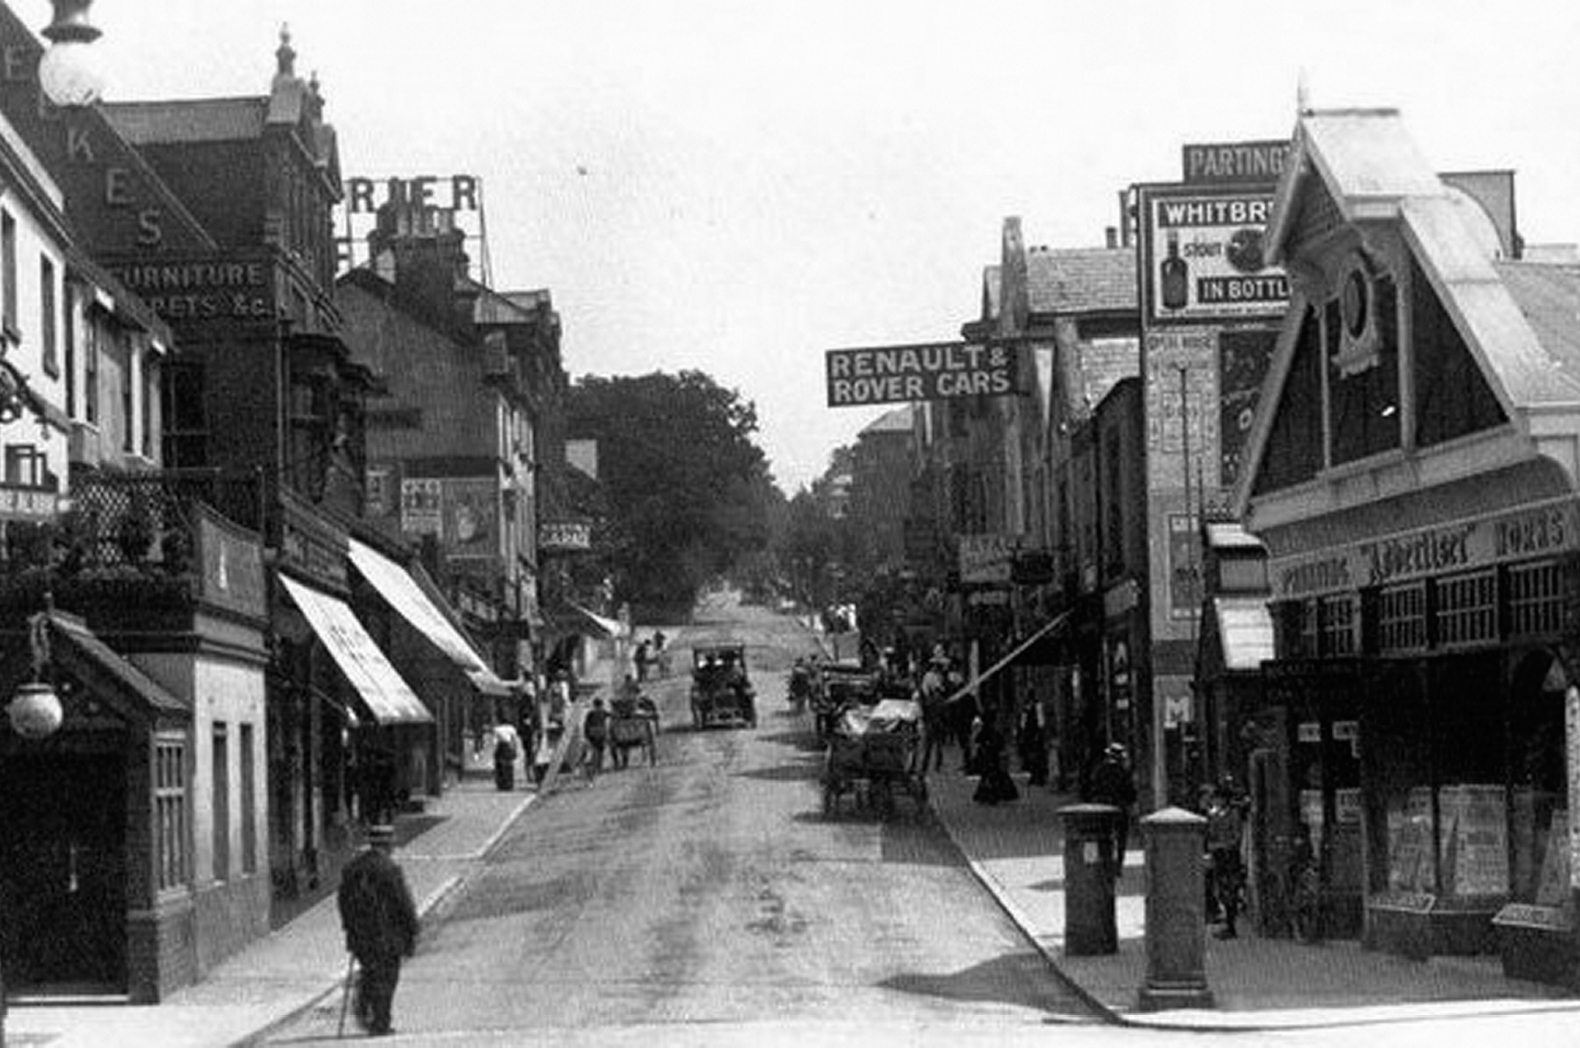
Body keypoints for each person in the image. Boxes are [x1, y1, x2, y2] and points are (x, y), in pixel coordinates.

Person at [337, 824, 420, 1037]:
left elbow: (342, 902)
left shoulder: (352, 868)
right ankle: (380, 1022)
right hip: (387, 935)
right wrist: (413, 927)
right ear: (388, 843)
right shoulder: (390, 869)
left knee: (370, 973)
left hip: (360, 935)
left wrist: (349, 928)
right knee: (387, 978)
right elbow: (403, 902)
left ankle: (365, 1007)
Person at [1206, 775, 1250, 939]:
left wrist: (1221, 845)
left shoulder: (1233, 814)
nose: (1216, 801)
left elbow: (1236, 837)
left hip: (1230, 856)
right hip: (1218, 856)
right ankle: (1226, 922)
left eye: (1218, 798)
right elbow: (1211, 834)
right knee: (1221, 889)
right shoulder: (1214, 814)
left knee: (1230, 889)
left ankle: (1231, 926)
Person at [1088, 742, 1138, 881]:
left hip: (1102, 808)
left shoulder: (1099, 769)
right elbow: (1131, 793)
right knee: (1121, 839)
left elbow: (1092, 788)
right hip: (1120, 809)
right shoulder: (1124, 771)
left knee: (1102, 836)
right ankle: (1118, 866)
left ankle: (1104, 863)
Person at [971, 704, 1020, 805]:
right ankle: (991, 795)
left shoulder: (988, 730)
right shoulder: (992, 730)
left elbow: (978, 740)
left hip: (989, 756)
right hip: (991, 756)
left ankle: (989, 795)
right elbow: (997, 742)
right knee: (993, 775)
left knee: (991, 776)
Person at [918, 657, 950, 773]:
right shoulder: (930, 677)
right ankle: (933, 766)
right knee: (934, 745)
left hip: (934, 723)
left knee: (932, 746)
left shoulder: (938, 679)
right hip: (934, 723)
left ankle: (929, 766)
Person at [582, 697, 610, 780]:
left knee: (595, 751)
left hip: (593, 734)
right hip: (601, 734)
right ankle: (599, 768)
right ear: (601, 705)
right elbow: (613, 715)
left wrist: (586, 734)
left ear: (594, 705)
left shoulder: (590, 713)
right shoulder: (603, 712)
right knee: (600, 751)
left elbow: (586, 724)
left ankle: (595, 768)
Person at [491, 714, 520, 791]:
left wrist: (494, 751)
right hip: (508, 746)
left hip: (500, 747)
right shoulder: (511, 729)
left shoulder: (497, 729)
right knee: (509, 766)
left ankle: (501, 784)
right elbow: (515, 740)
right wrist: (515, 750)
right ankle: (509, 784)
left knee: (500, 766)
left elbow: (495, 742)